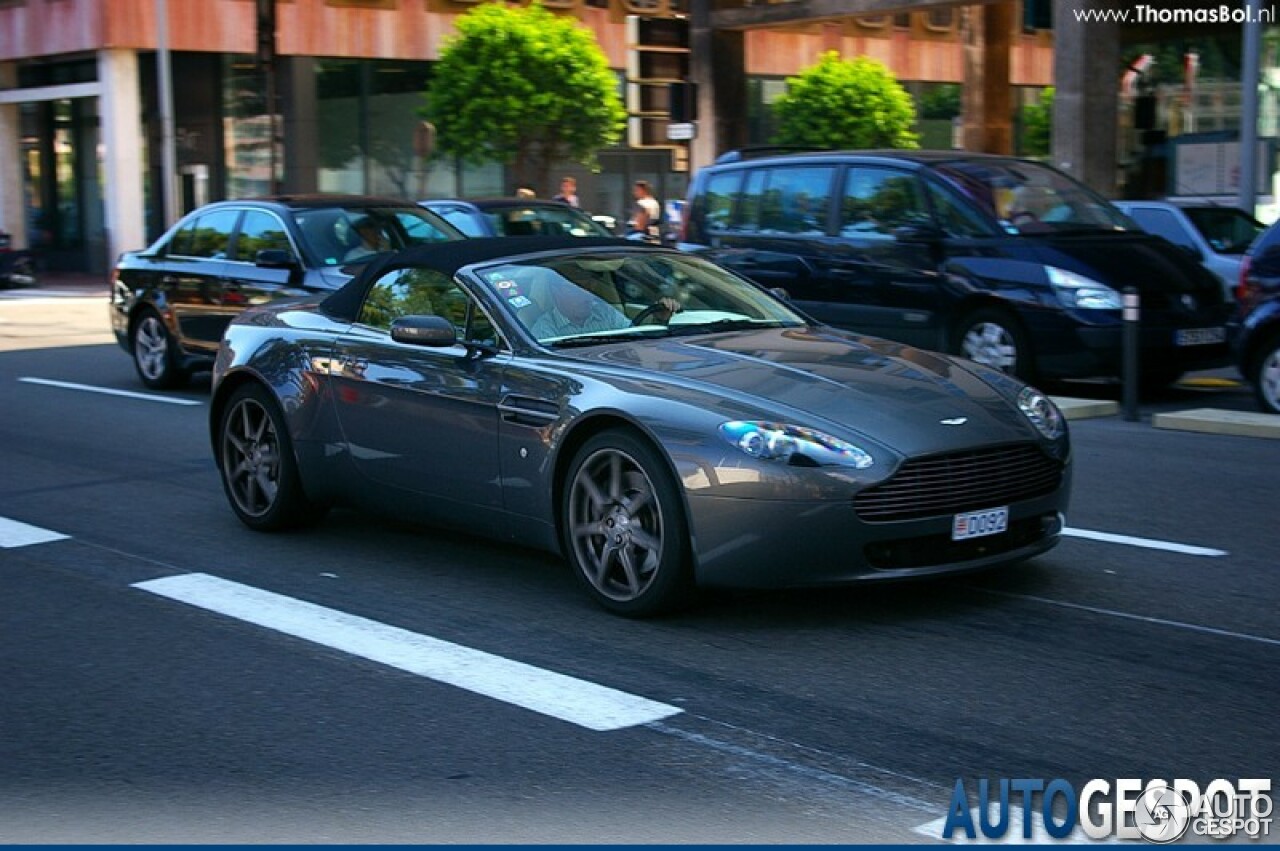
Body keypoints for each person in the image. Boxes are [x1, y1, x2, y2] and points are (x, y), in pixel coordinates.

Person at [529, 279, 681, 340]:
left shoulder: (604, 313)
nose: (588, 297)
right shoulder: (545, 331)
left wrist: (660, 320)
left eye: (590, 290)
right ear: (557, 293)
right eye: (578, 290)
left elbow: (635, 338)